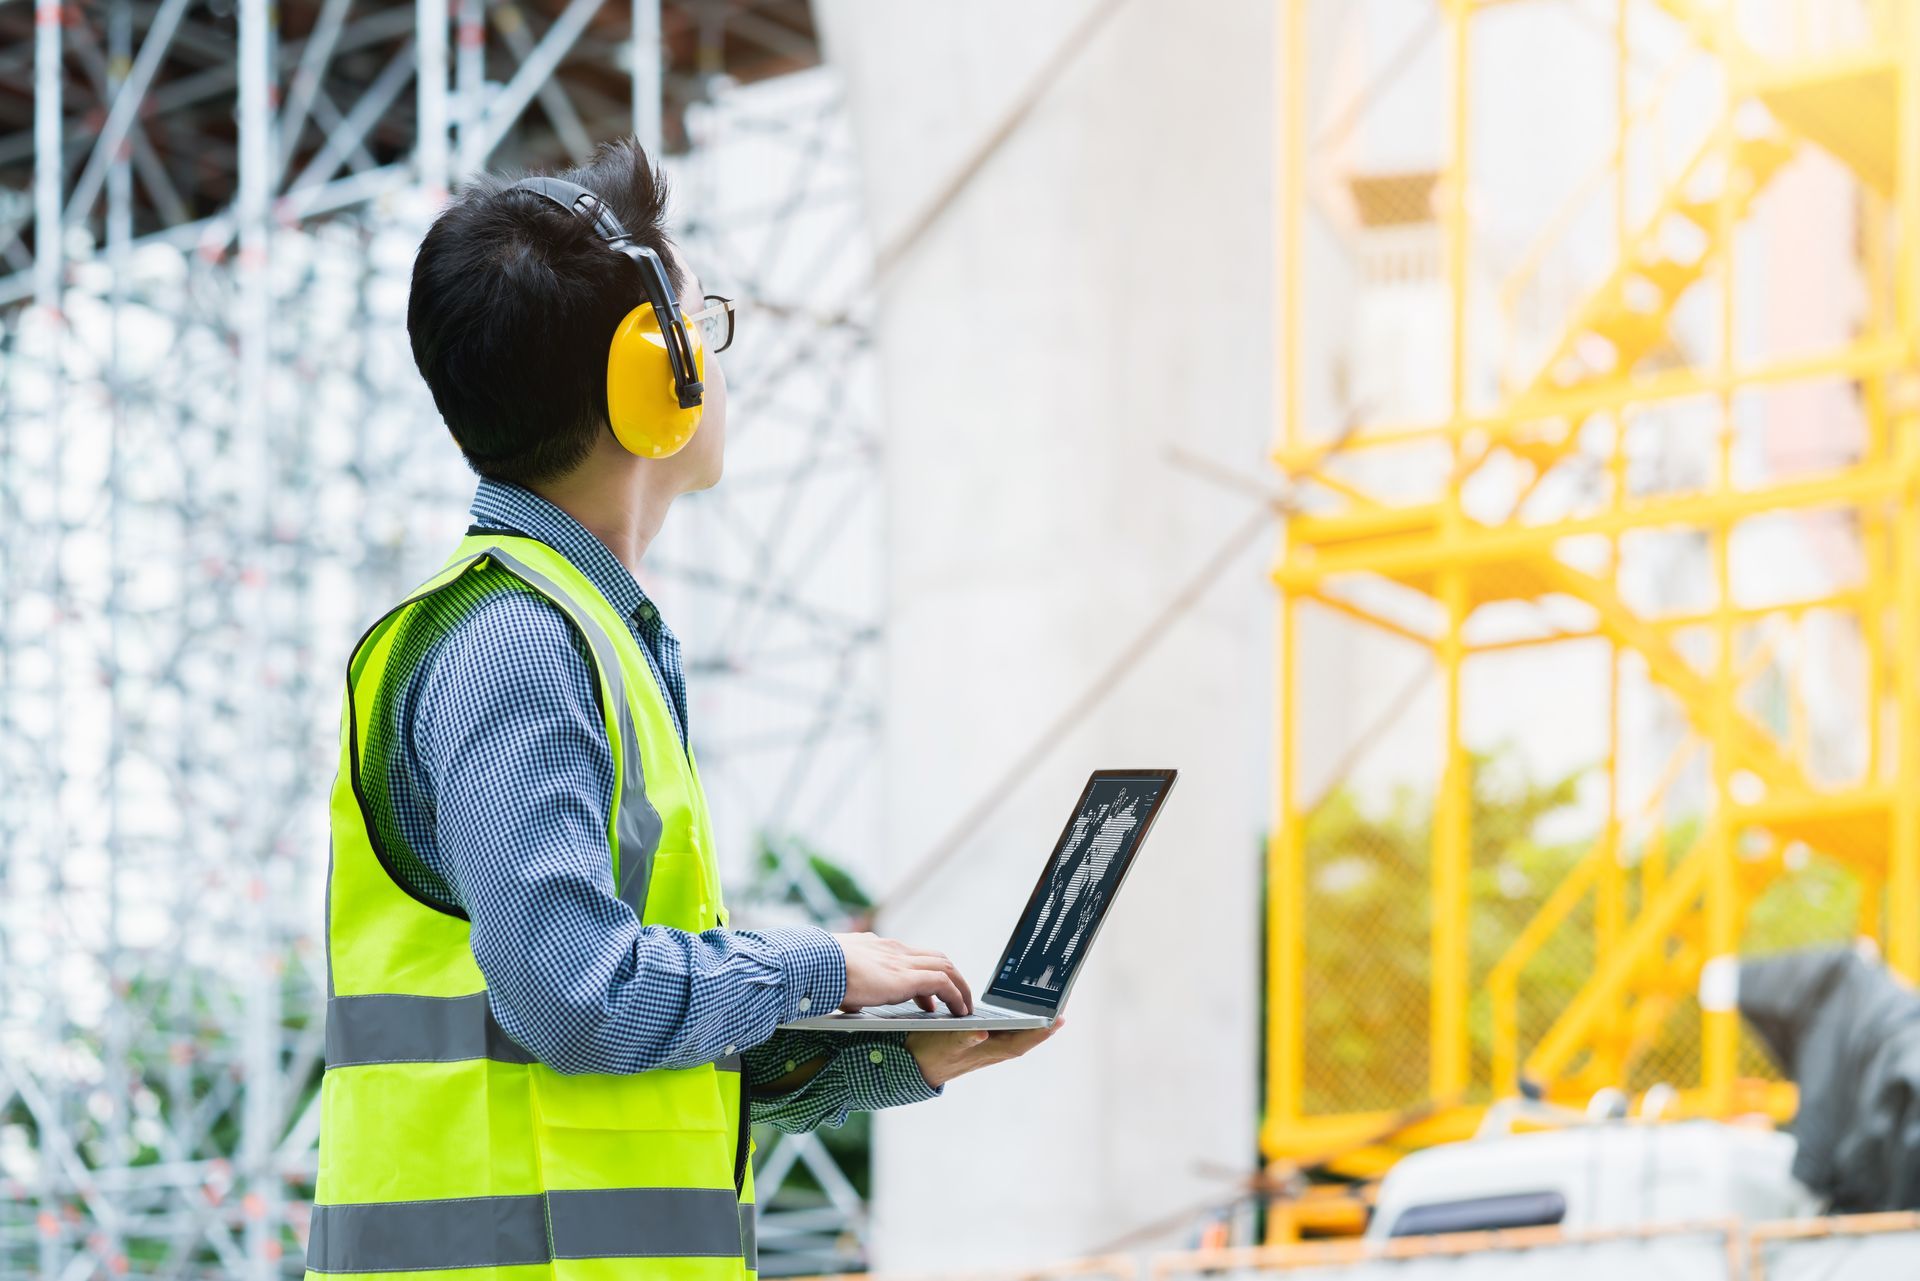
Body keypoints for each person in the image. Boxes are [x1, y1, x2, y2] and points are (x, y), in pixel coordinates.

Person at [305, 138, 1060, 1281]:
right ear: (654, 379)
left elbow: (609, 1062)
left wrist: (889, 1060)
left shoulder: (579, 634)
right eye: (707, 326)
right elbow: (572, 997)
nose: (717, 361)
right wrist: (819, 970)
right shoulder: (519, 642)